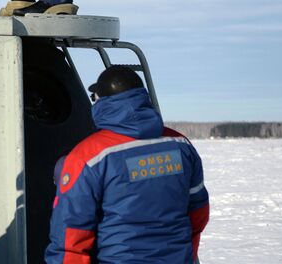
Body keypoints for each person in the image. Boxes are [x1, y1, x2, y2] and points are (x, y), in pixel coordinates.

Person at [45, 66, 210, 263]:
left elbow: (70, 234)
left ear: (101, 101)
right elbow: (198, 212)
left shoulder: (88, 156)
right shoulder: (180, 145)